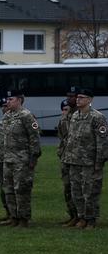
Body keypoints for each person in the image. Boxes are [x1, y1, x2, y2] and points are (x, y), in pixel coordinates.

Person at [64, 88, 108, 229]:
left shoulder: (97, 117)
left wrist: (99, 162)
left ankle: (91, 219)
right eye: (78, 97)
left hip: (90, 162)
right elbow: (70, 139)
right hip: (74, 161)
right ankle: (81, 217)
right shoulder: (75, 116)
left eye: (82, 97)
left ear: (90, 100)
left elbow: (102, 142)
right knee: (76, 192)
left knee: (90, 192)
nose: (78, 99)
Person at [0, 90, 41, 227]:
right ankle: (13, 216)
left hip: (22, 160)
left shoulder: (26, 116)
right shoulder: (7, 116)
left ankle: (23, 218)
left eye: (11, 99)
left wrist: (33, 158)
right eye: (7, 99)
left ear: (19, 100)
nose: (8, 102)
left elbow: (34, 139)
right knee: (9, 190)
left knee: (21, 190)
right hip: (7, 159)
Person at [57, 87, 79, 226]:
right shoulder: (67, 115)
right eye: (68, 95)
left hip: (79, 158)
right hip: (66, 157)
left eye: (72, 96)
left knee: (79, 189)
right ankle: (73, 215)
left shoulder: (81, 115)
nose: (69, 98)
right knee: (68, 188)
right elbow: (63, 136)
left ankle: (82, 217)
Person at [0, 97, 10, 221]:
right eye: (3, 106)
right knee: (3, 187)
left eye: (7, 105)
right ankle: (8, 213)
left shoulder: (24, 117)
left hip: (16, 159)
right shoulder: (3, 121)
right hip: (2, 158)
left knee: (14, 188)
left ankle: (18, 215)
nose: (5, 108)